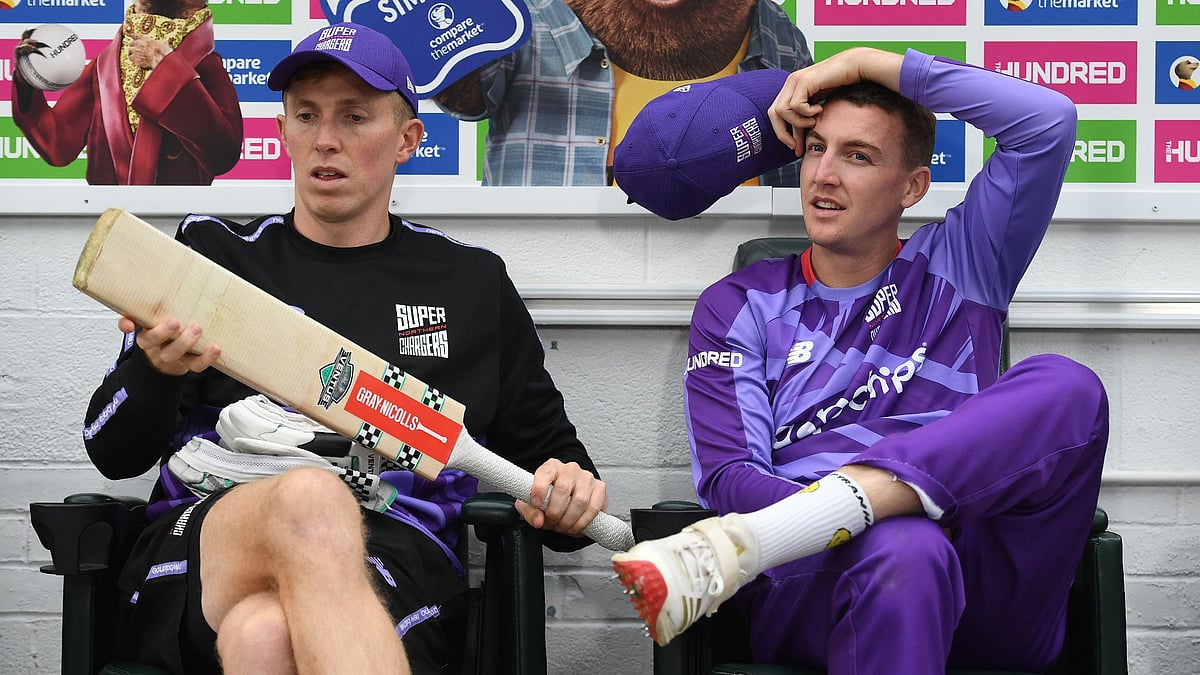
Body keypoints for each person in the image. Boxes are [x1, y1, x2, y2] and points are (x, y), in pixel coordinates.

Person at [81, 22, 608, 674]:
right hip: (207, 537)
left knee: (264, 635)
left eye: (354, 117)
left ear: (408, 139)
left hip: (395, 551)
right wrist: (156, 371)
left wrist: (568, 492)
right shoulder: (212, 258)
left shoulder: (469, 284)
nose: (325, 140)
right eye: (306, 116)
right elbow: (110, 449)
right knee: (308, 498)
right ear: (283, 134)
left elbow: (556, 474)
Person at [611, 47, 1108, 673]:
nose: (824, 174)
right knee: (905, 546)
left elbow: (1048, 121)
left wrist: (860, 62)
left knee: (1070, 385)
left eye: (858, 155)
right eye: (816, 147)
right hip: (821, 582)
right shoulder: (740, 304)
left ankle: (861, 500)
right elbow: (730, 477)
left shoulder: (963, 263)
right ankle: (859, 512)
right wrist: (849, 528)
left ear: (913, 187)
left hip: (979, 580)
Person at [433, 0, 811, 186]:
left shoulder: (774, 28)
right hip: (551, 277)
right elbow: (460, 92)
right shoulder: (520, 19)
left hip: (739, 284)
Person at [10, 0, 243, 185]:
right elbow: (58, 144)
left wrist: (169, 68)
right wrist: (28, 78)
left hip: (176, 227)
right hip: (109, 222)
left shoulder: (205, 64)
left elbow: (223, 153)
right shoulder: (103, 66)